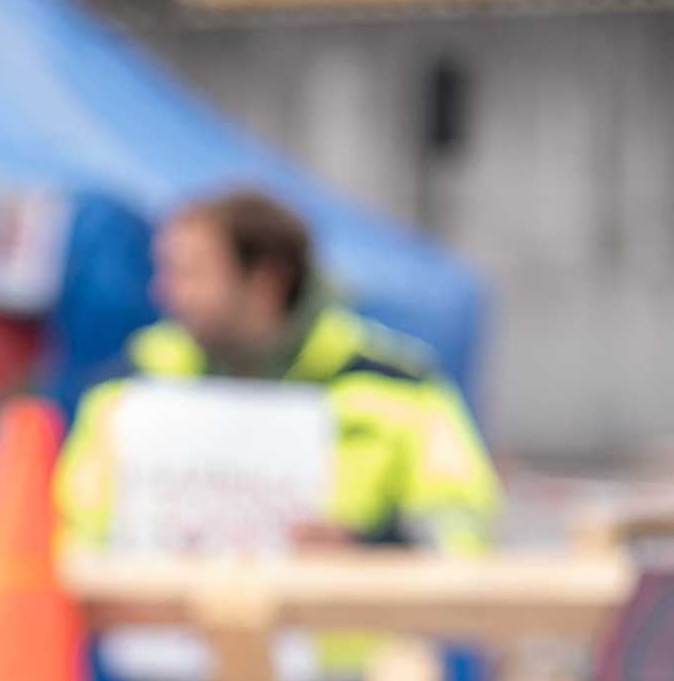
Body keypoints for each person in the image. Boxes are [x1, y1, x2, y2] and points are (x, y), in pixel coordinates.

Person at [56, 189, 502, 553]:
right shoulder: (131, 387)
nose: (166, 293)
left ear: (264, 282)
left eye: (190, 274)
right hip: (160, 658)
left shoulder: (400, 385)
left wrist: (367, 546)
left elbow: (463, 526)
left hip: (343, 660)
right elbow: (71, 528)